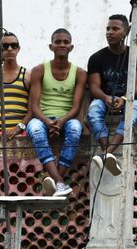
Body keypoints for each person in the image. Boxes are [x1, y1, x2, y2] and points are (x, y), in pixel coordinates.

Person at [27, 28, 87, 197]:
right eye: (58, 42)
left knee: (75, 129)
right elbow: (34, 106)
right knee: (36, 130)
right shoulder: (39, 70)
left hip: (67, 118)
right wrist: (48, 122)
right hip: (42, 117)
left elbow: (76, 107)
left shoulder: (80, 73)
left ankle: (52, 179)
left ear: (71, 47)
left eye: (65, 42)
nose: (62, 45)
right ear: (50, 46)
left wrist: (60, 122)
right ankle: (60, 181)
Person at [87, 14, 137, 176]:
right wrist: (106, 97)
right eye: (108, 29)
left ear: (126, 32)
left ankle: (106, 154)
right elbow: (93, 88)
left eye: (115, 29)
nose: (109, 32)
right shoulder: (96, 58)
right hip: (105, 99)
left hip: (132, 100)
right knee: (93, 110)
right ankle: (107, 152)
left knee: (132, 111)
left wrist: (124, 99)